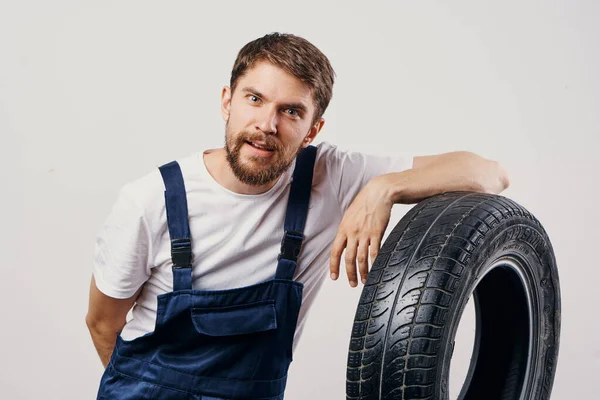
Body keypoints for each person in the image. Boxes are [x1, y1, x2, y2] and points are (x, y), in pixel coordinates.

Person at [86, 32, 509, 399]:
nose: (267, 124)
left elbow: (489, 173)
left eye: (290, 111)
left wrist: (386, 186)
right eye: (255, 99)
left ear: (313, 130)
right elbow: (103, 324)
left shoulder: (332, 175)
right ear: (226, 102)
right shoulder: (150, 201)